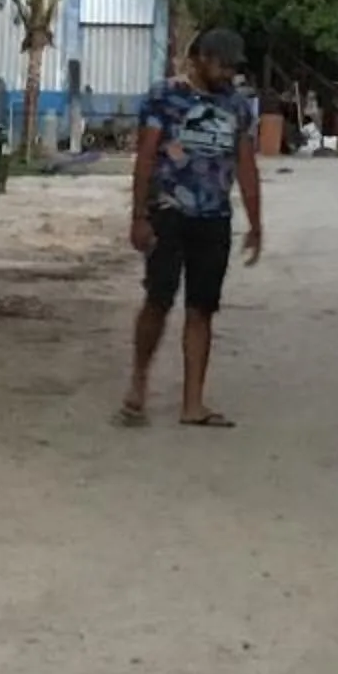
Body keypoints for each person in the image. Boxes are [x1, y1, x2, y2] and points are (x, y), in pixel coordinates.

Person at [122, 26, 263, 428]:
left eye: (233, 67)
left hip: (214, 217)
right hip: (168, 212)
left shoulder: (237, 106)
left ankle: (193, 403)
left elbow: (246, 164)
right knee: (158, 300)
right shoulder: (165, 96)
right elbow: (146, 156)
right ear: (200, 58)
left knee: (202, 309)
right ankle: (138, 382)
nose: (228, 73)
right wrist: (138, 214)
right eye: (222, 63)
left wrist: (256, 222)